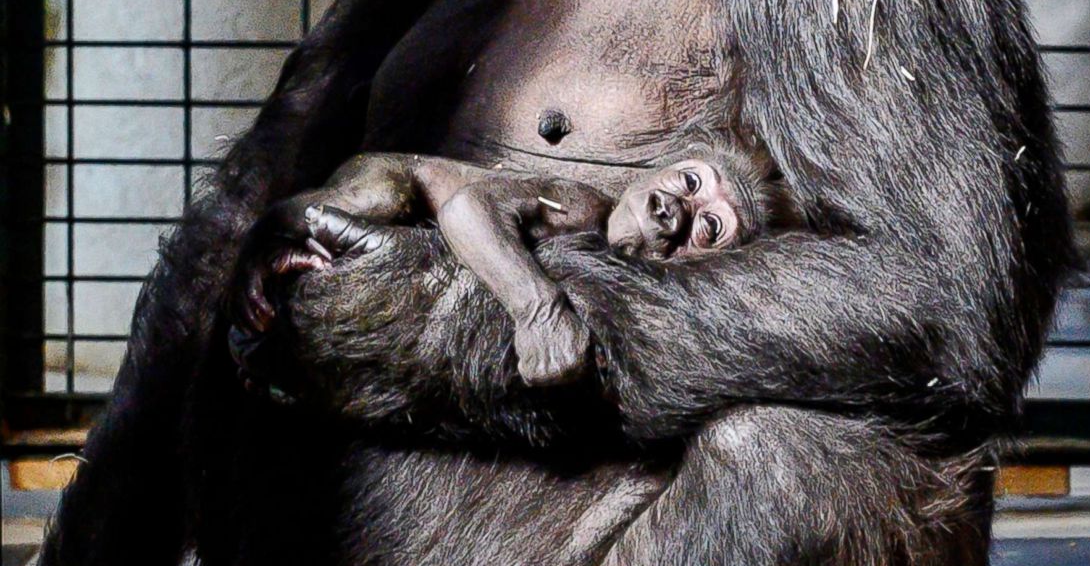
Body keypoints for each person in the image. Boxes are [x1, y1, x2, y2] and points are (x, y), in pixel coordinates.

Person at [234, 147, 794, 387]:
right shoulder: (584, 209)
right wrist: (537, 309)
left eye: (709, 226)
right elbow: (465, 208)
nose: (674, 205)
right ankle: (264, 243)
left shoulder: (610, 257)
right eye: (689, 182)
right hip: (397, 182)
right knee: (362, 204)